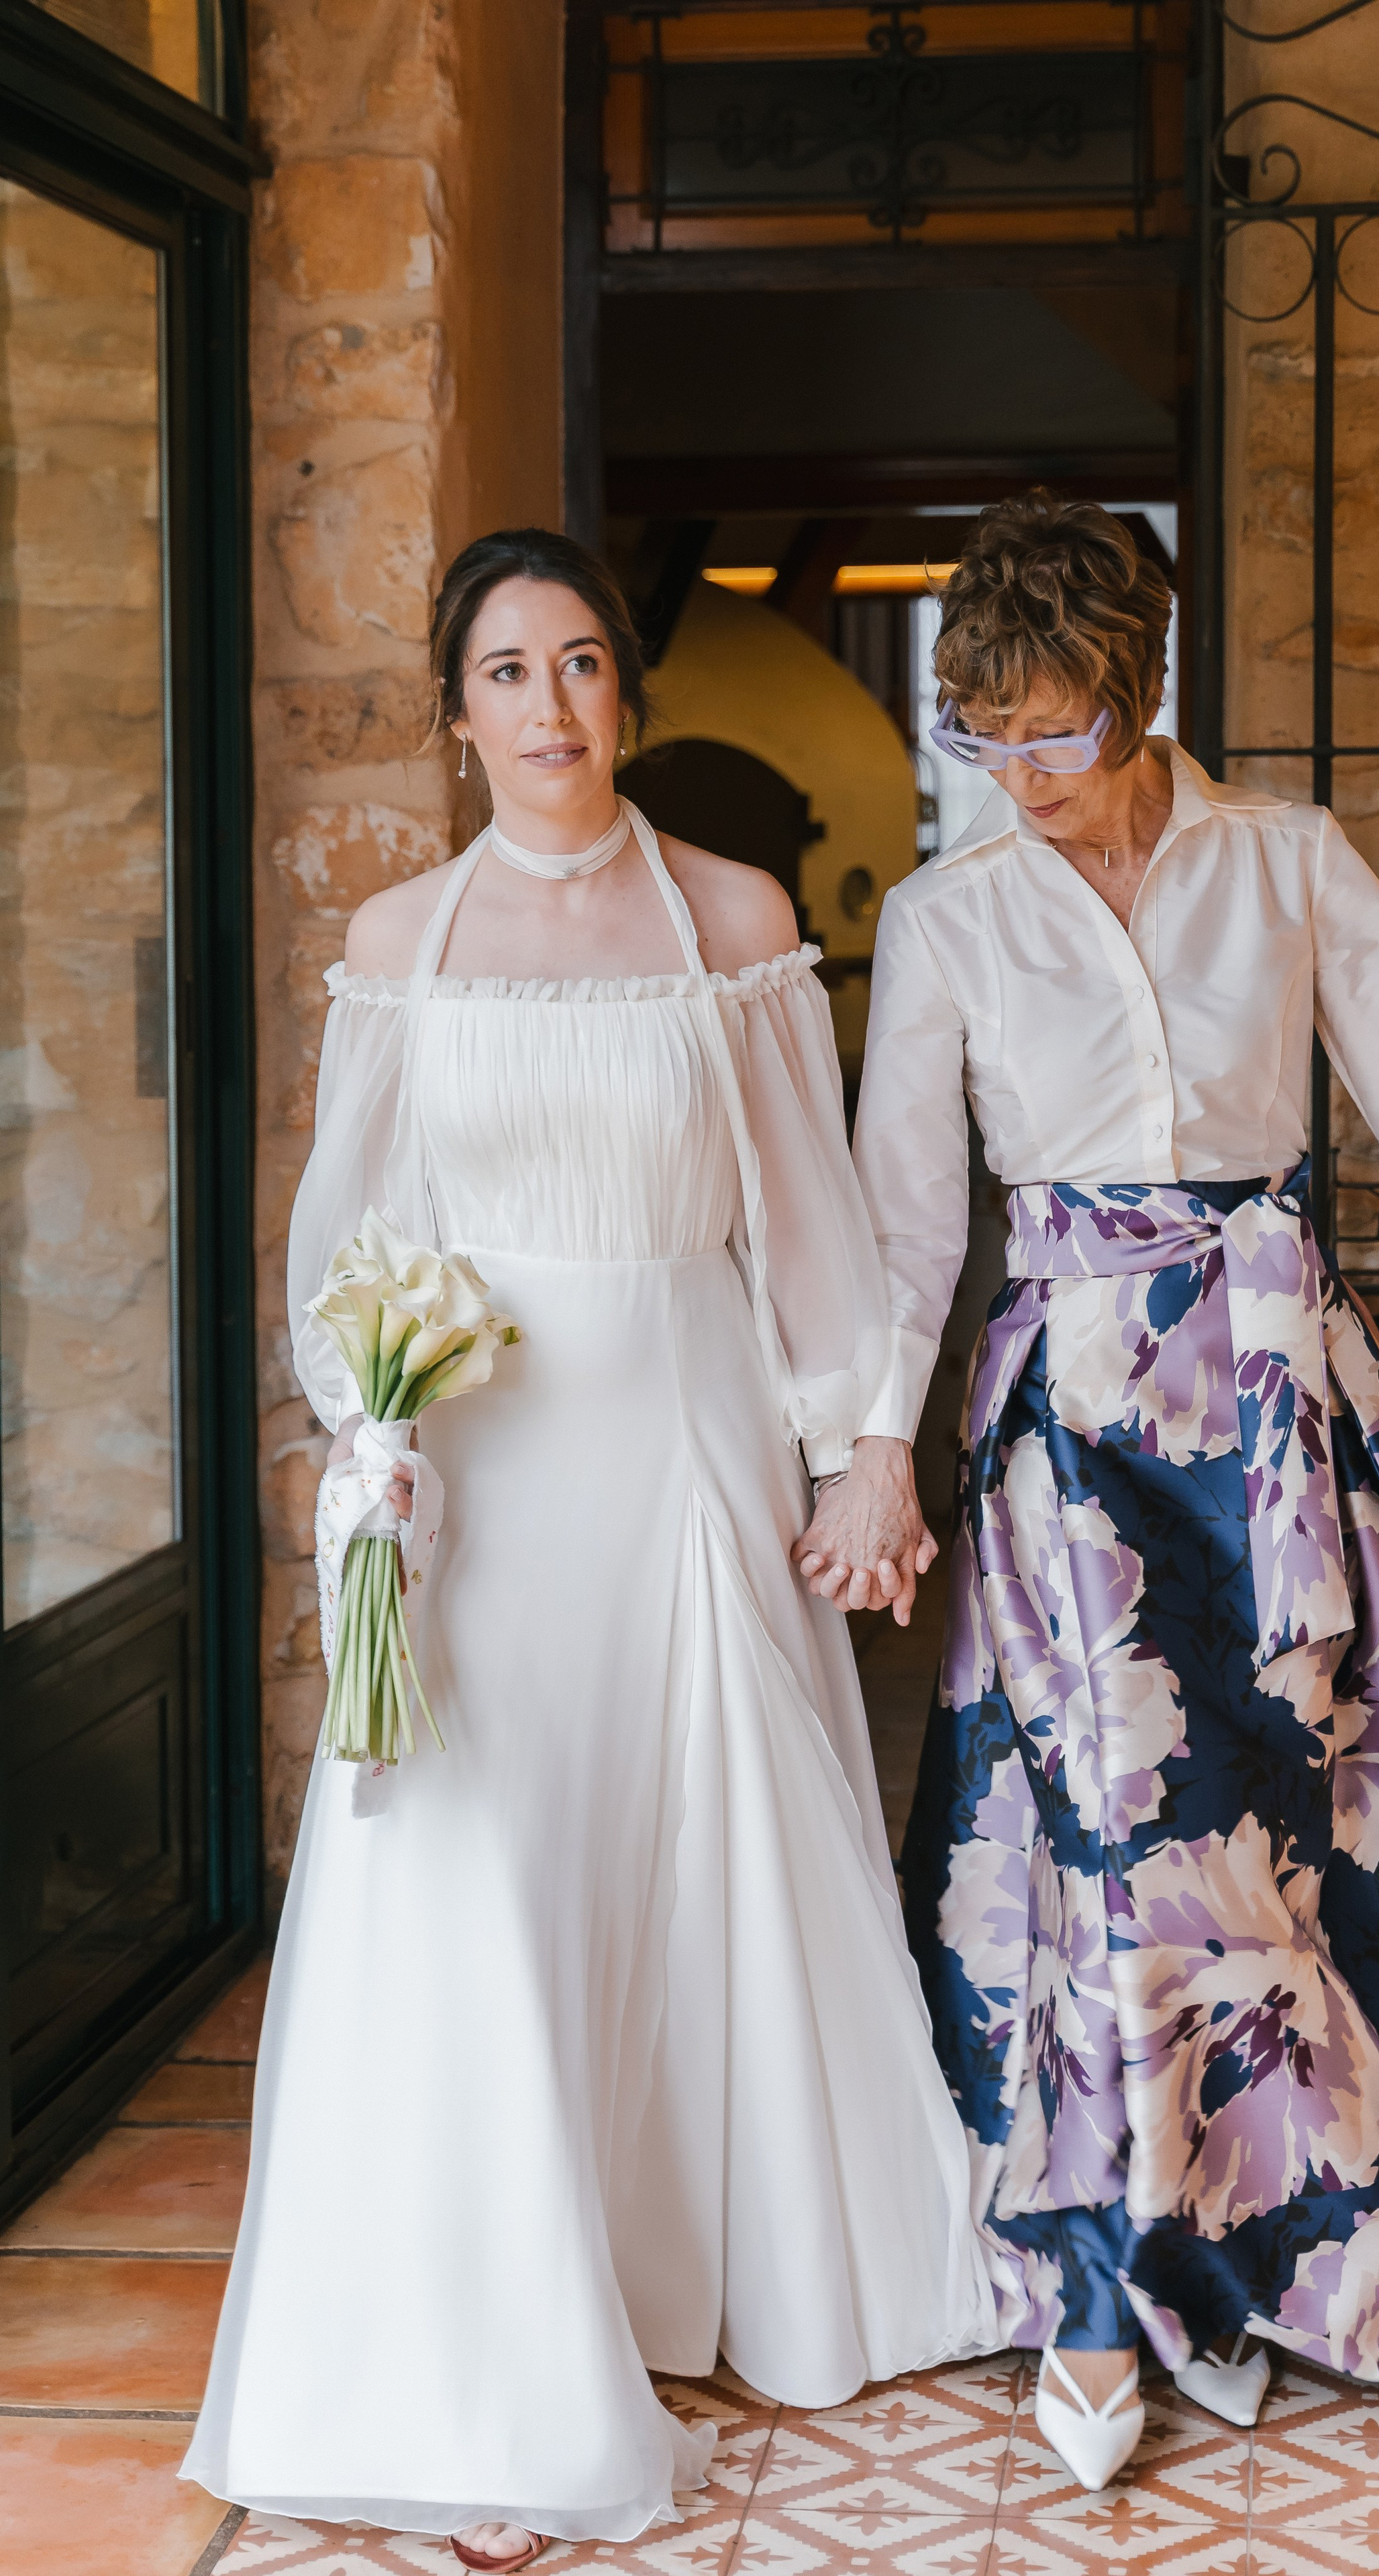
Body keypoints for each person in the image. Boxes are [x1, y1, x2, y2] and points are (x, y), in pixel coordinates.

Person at [795, 491, 1379, 2493]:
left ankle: (1266, 2262)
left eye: (1056, 734)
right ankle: (1106, 2291)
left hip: (1282, 1402)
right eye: (981, 737)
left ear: (1143, 687)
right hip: (1078, 1432)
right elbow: (911, 1221)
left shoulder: (1286, 861)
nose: (1020, 779)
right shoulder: (949, 921)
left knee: (1316, 1830)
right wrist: (869, 1438)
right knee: (1113, 1848)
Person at [183, 528, 992, 2567]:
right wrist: (371, 1444)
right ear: (456, 717)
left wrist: (855, 1454)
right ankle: (499, 2353)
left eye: (582, 667)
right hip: (488, 1479)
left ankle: (702, 2278)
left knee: (700, 1856)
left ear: (623, 692)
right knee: (484, 1881)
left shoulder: (729, 917)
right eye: (509, 673)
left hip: (692, 1454)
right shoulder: (402, 939)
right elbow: (343, 1245)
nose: (552, 707)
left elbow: (809, 1226)